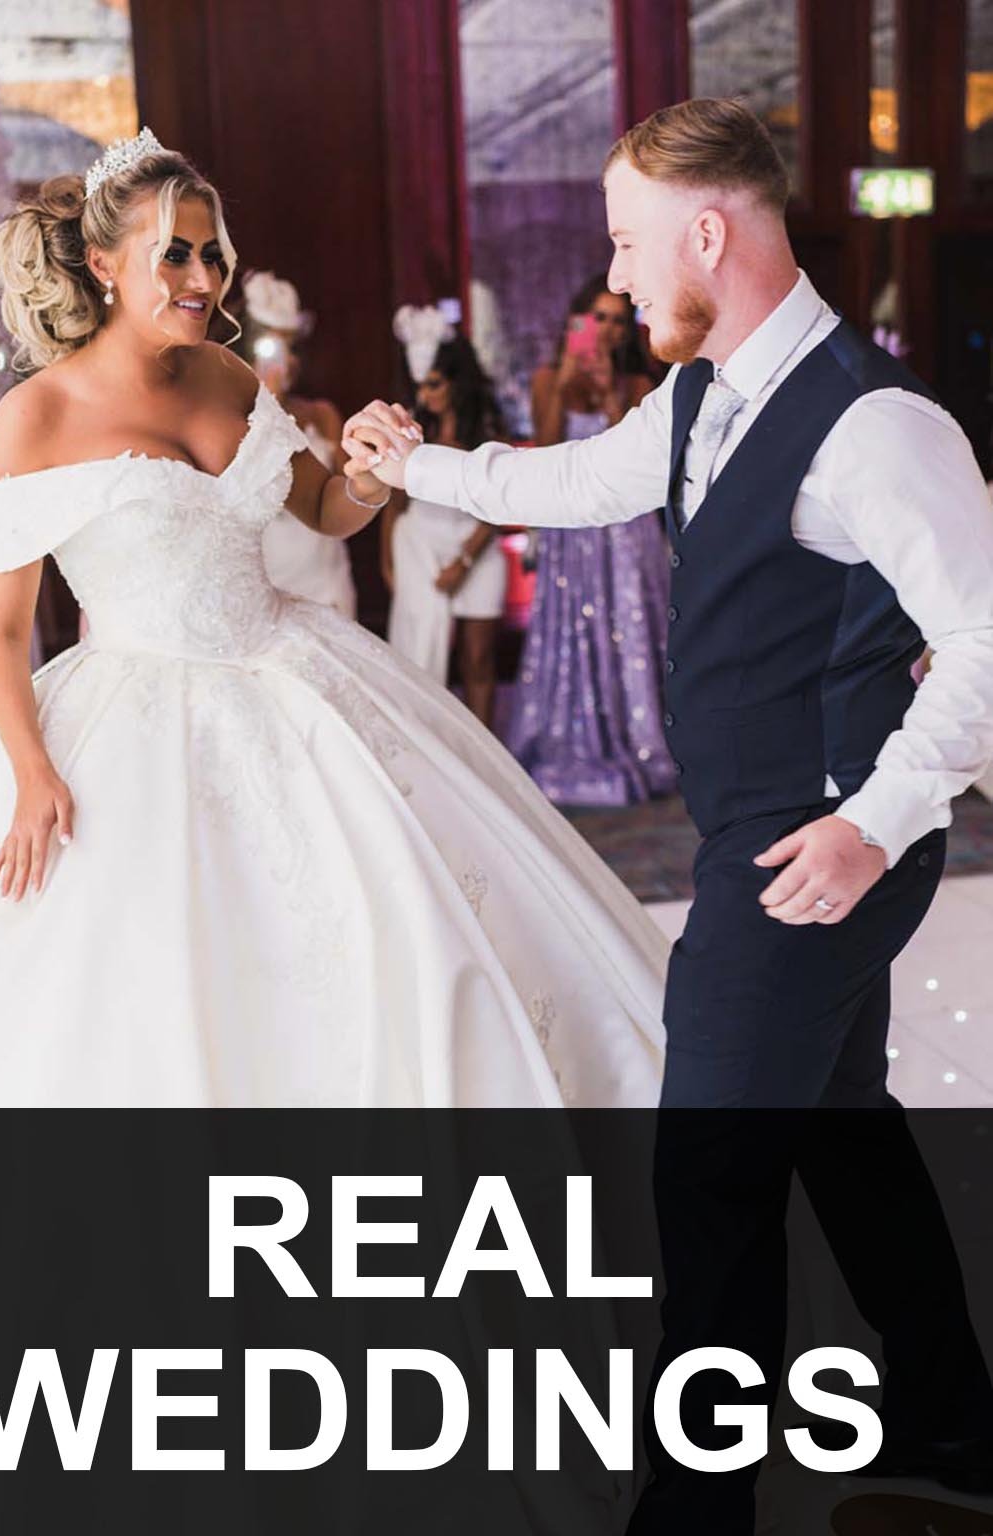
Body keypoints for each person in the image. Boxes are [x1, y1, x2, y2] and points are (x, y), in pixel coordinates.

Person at [343, 98, 993, 1531]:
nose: (618, 276)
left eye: (631, 243)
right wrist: (413, 467)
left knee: (705, 1173)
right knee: (838, 1127)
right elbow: (573, 484)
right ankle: (954, 1419)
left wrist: (873, 824)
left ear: (710, 230)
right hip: (764, 834)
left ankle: (694, 1513)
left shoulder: (878, 425)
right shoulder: (703, 392)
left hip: (812, 850)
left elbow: (987, 636)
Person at [0, 130, 666, 1109]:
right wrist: (32, 776)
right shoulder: (35, 417)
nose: (202, 277)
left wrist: (372, 470)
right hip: (134, 706)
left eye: (210, 253)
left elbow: (325, 508)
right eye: (174, 254)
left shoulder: (232, 380)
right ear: (105, 263)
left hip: (298, 672)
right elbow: (0, 633)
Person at [510, 280, 676, 804]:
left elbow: (629, 458)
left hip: (624, 531)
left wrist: (608, 395)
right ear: (577, 323)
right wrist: (565, 381)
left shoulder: (637, 387)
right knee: (569, 626)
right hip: (568, 526)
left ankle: (641, 742)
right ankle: (568, 736)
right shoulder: (546, 380)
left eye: (616, 322)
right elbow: (546, 445)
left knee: (631, 629)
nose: (605, 330)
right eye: (596, 318)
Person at [382, 309, 507, 727]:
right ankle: (438, 748)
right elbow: (393, 500)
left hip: (477, 546)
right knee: (423, 655)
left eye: (434, 384)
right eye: (421, 385)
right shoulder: (413, 427)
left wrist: (466, 559)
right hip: (421, 542)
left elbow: (498, 502)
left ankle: (487, 757)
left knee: (479, 658)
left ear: (457, 380)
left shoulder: (486, 428)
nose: (427, 394)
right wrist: (387, 561)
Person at [240, 269, 357, 618]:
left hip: (323, 569)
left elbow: (342, 486)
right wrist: (266, 407)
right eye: (273, 348)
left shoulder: (321, 415)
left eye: (287, 348)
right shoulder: (230, 420)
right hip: (268, 571)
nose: (283, 359)